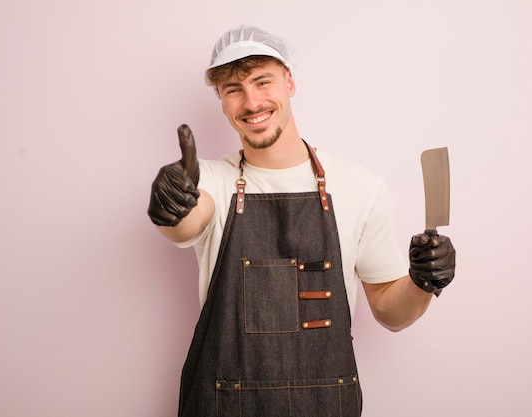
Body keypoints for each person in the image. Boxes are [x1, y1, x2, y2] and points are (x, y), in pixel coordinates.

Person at [147, 24, 456, 417]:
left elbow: (390, 313)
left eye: (263, 81)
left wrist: (421, 283)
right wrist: (173, 206)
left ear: (289, 82)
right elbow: (190, 220)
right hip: (222, 403)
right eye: (233, 89)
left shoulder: (360, 187)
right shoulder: (208, 179)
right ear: (221, 102)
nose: (251, 101)